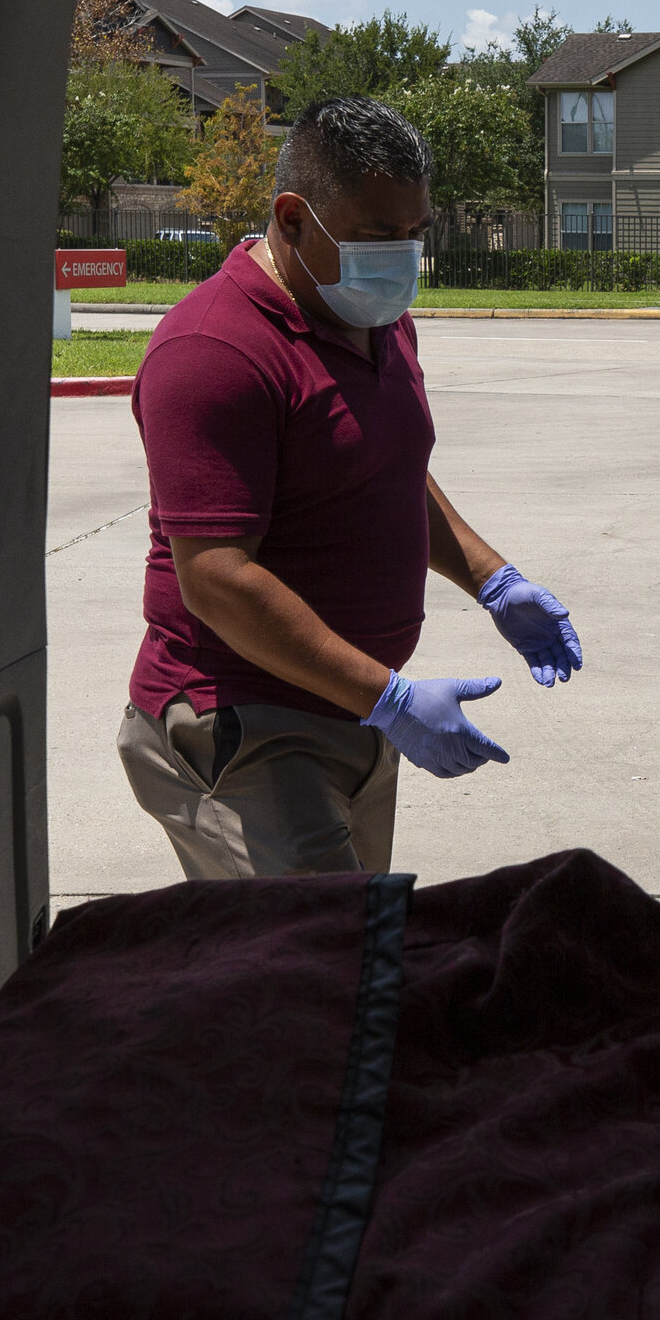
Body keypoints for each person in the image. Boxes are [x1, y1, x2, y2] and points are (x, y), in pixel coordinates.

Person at [118, 96, 583, 879]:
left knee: (352, 972)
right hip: (246, 726)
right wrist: (390, 699)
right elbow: (216, 578)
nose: (400, 256)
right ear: (293, 219)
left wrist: (493, 578)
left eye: (414, 232)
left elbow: (384, 467)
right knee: (322, 977)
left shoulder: (374, 317)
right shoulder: (214, 350)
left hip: (351, 709)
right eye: (375, 235)